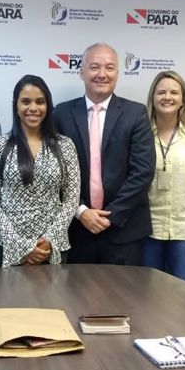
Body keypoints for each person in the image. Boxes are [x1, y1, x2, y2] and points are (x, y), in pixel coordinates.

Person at [56, 43, 155, 265]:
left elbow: (143, 171)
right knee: (75, 298)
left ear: (118, 74)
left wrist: (112, 216)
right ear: (81, 72)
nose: (102, 74)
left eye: (109, 68)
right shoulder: (61, 114)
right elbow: (56, 173)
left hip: (124, 230)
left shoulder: (136, 113)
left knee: (124, 298)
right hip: (76, 230)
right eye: (94, 67)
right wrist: (81, 212)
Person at [0, 75, 80, 267]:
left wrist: (48, 240)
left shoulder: (65, 146)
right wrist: (22, 246)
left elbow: (71, 199)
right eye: (26, 101)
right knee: (6, 298)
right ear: (16, 106)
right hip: (7, 246)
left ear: (48, 106)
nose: (33, 108)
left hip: (51, 248)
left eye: (40, 102)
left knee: (53, 298)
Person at [141, 71, 185, 283]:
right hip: (148, 230)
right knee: (146, 296)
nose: (167, 97)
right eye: (161, 92)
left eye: (174, 92)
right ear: (153, 98)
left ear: (183, 99)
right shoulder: (140, 132)